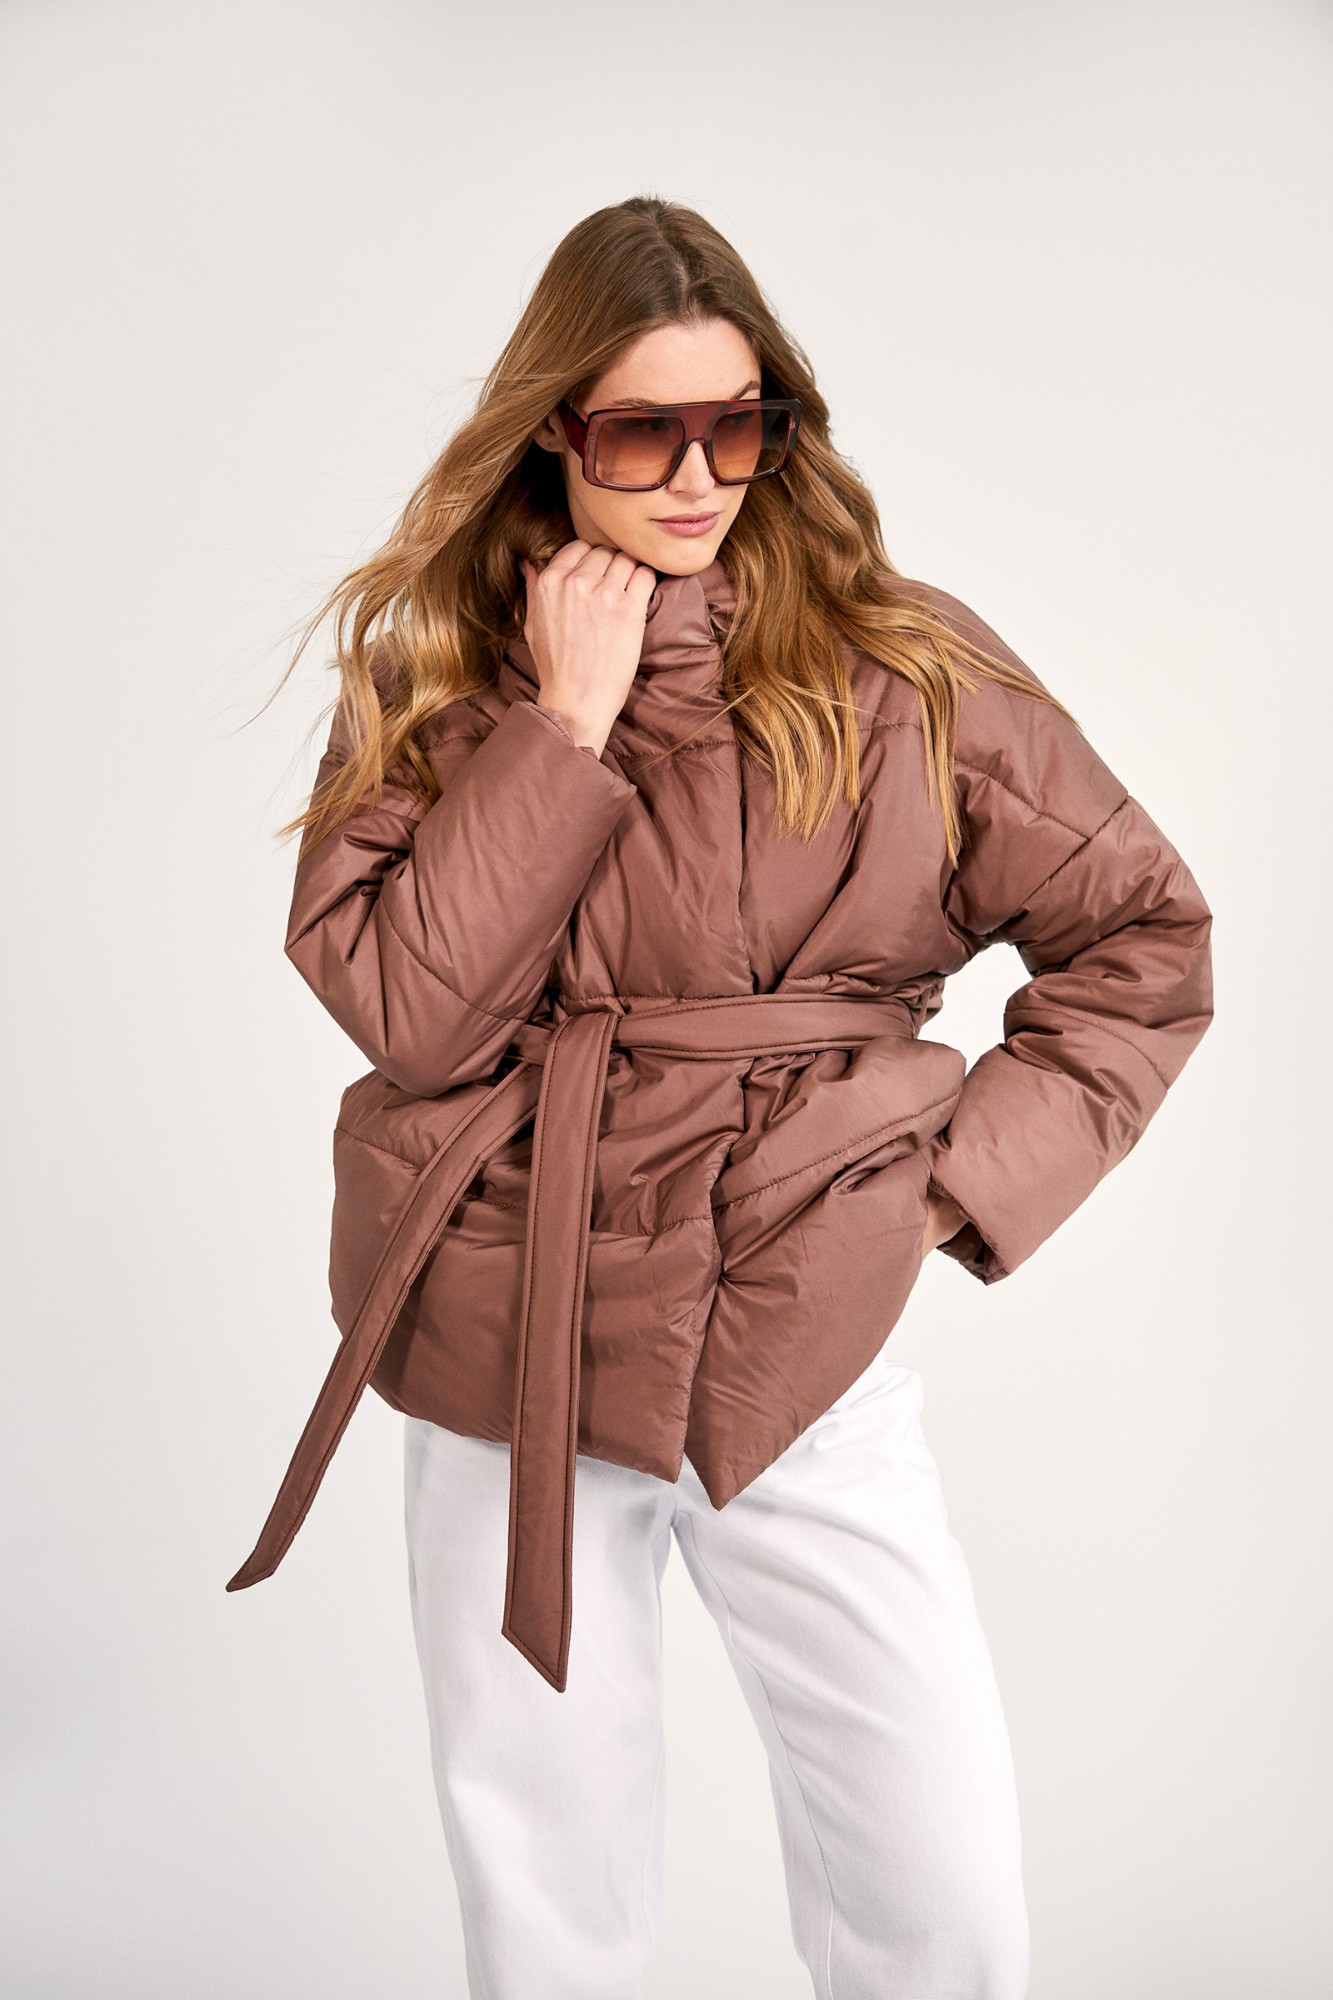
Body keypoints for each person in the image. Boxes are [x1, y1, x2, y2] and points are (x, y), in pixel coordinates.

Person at [228, 196, 1214, 1999]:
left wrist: (926, 1194)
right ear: (554, 429)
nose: (696, 477)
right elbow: (416, 1018)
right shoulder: (438, 674)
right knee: (549, 1902)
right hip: (508, 1325)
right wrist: (563, 726)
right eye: (641, 432)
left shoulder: (905, 664)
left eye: (734, 424)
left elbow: (1141, 938)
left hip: (794, 1315)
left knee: (937, 1877)